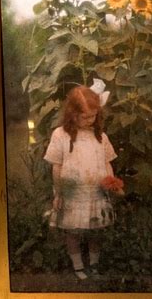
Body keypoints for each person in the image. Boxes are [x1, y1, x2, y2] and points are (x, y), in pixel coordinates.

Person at [43, 82, 117, 280]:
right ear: (72, 114)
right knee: (73, 232)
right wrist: (59, 192)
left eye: (93, 116)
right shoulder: (61, 135)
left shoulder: (100, 136)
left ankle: (93, 264)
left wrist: (111, 182)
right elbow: (56, 165)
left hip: (96, 193)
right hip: (72, 194)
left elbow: (108, 162)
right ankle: (78, 266)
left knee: (95, 232)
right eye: (84, 117)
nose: (89, 121)